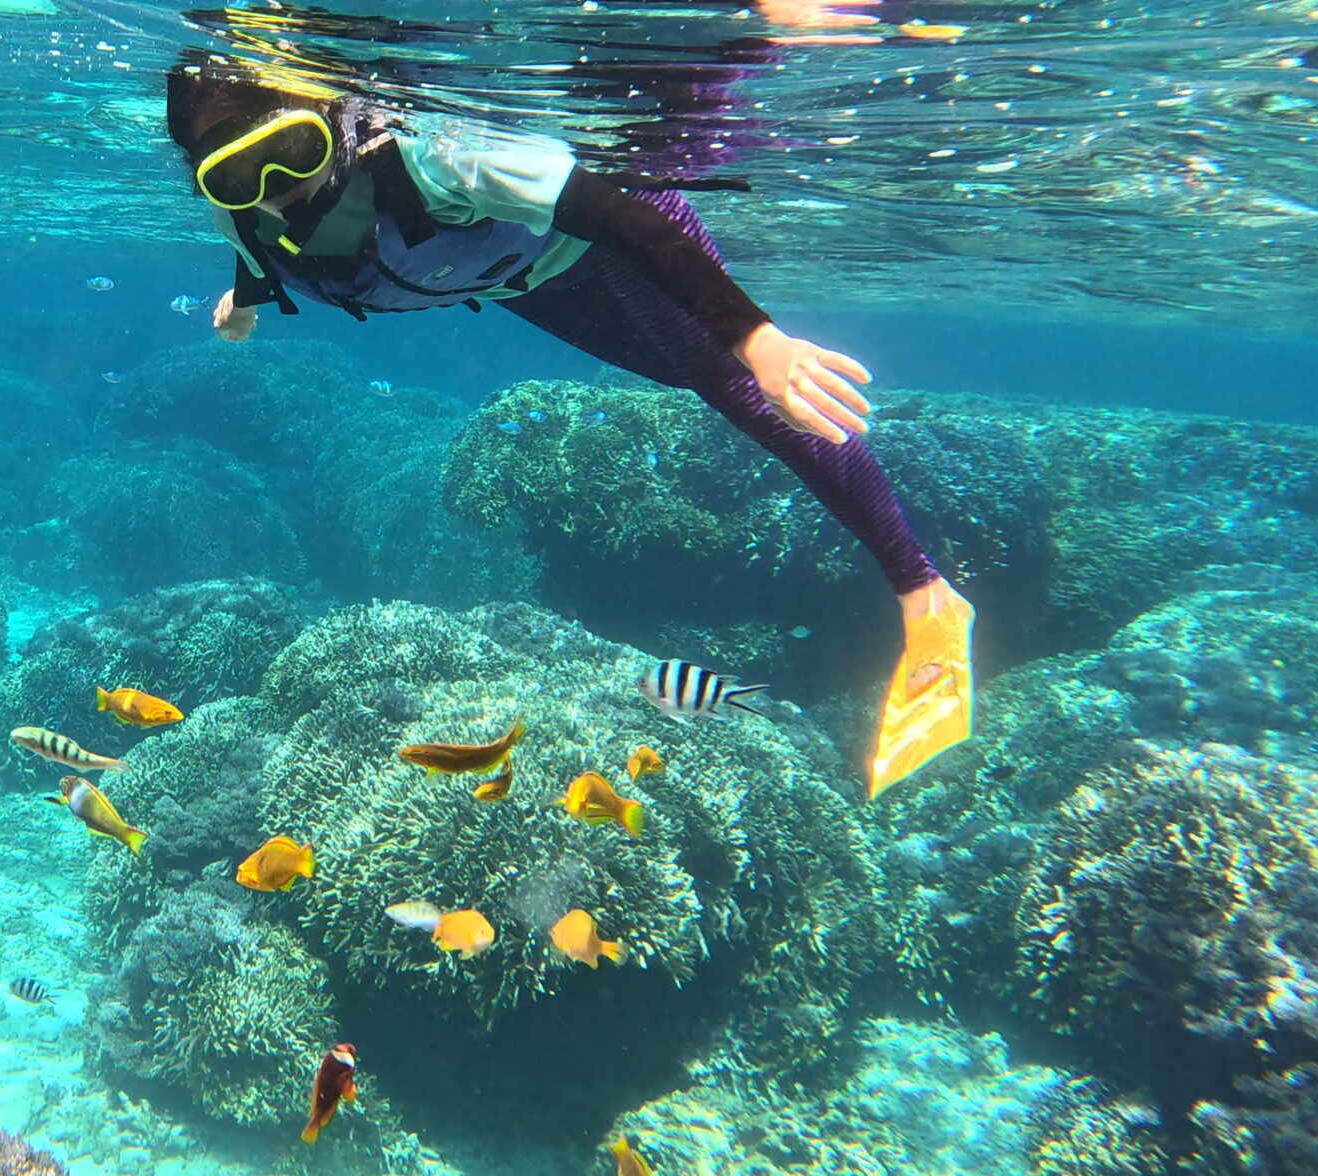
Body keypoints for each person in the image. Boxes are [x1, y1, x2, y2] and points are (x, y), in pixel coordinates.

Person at [164, 57, 973, 795]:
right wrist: (249, 298)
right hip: (535, 282)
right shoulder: (244, 215)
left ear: (334, 116)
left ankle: (927, 596)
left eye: (293, 152)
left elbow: (624, 219)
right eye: (233, 177)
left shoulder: (438, 150)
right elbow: (270, 243)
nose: (275, 186)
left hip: (616, 232)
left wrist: (756, 337)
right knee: (696, 377)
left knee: (745, 390)